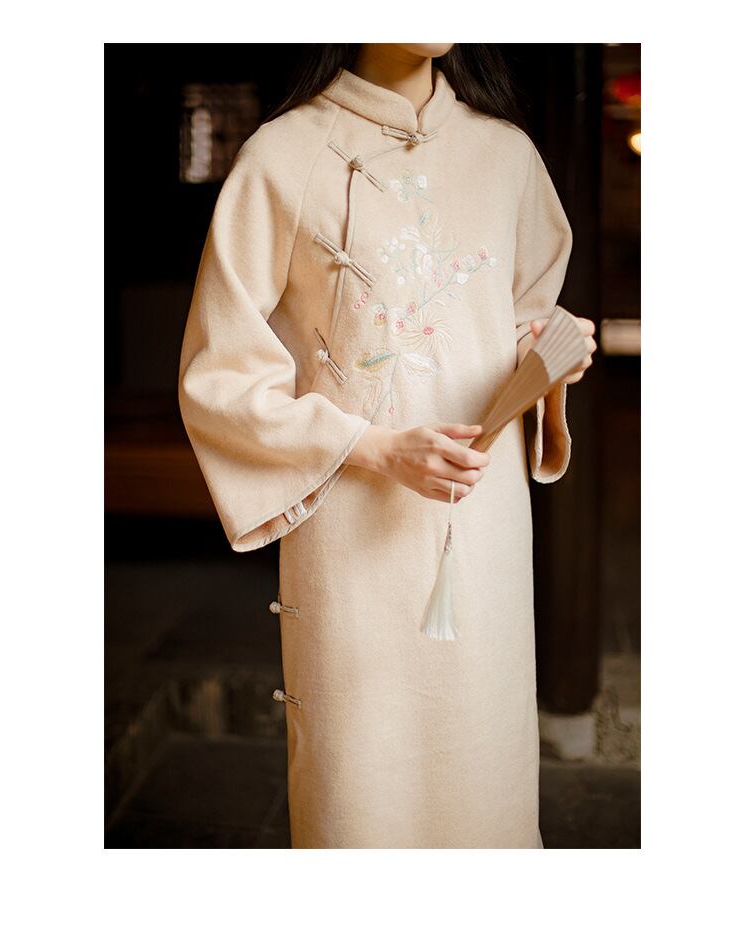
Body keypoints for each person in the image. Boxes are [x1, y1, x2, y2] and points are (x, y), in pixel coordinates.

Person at [178, 43, 596, 848]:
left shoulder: (507, 156)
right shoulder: (284, 155)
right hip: (351, 545)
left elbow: (515, 321)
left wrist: (548, 358)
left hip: (482, 525)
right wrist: (375, 447)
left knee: (488, 785)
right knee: (360, 792)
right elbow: (220, 376)